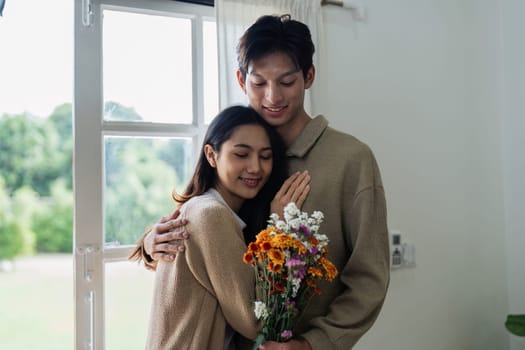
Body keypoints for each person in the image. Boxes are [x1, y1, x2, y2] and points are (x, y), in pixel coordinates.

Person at [137, 14, 390, 350]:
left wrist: (313, 344)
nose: (272, 97)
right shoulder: (236, 148)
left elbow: (368, 279)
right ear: (241, 80)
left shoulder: (351, 159)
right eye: (259, 83)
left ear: (308, 77)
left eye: (286, 82)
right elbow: (201, 218)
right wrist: (152, 244)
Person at [130, 105, 294, 349]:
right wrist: (279, 229)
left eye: (265, 156)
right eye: (241, 154)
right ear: (211, 155)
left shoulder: (202, 208)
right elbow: (253, 321)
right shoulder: (211, 215)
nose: (255, 167)